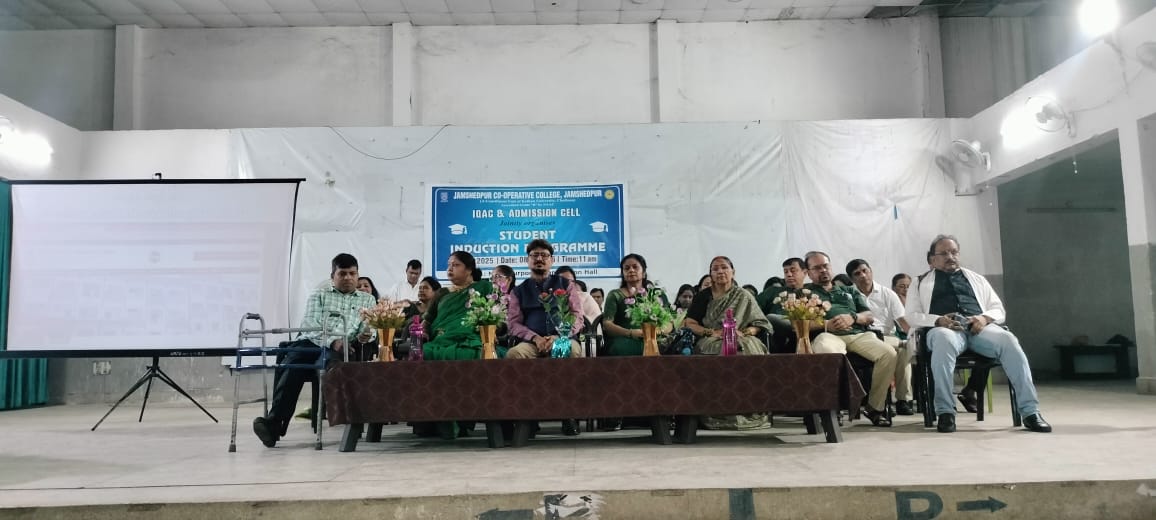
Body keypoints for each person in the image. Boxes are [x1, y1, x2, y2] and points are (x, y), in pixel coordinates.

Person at [905, 235, 1051, 433]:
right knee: (943, 339)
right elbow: (911, 315)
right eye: (944, 253)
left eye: (954, 252)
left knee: (1008, 340)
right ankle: (946, 412)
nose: (950, 257)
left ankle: (1030, 412)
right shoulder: (919, 282)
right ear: (932, 258)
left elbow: (998, 309)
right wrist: (938, 320)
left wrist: (984, 318)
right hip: (944, 329)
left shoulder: (976, 279)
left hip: (978, 328)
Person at [252, 253, 376, 448]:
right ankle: (273, 425)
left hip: (344, 347)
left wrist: (366, 335)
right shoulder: (319, 295)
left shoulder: (367, 300)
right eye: (342, 274)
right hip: (310, 342)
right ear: (332, 276)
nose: (348, 278)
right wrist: (332, 341)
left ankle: (346, 422)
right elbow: (311, 324)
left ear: (357, 275)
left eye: (352, 274)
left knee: (332, 368)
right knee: (291, 367)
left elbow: (370, 327)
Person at [804, 251, 897, 427]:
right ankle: (834, 407)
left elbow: (868, 315)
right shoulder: (805, 293)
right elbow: (797, 324)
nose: (823, 270)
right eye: (817, 268)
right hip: (828, 335)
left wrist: (852, 317)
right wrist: (826, 324)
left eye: (825, 266)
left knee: (889, 354)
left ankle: (874, 407)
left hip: (858, 334)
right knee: (828, 351)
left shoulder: (849, 290)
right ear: (808, 273)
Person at [505, 239, 585, 437]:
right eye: (535, 255)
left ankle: (568, 414)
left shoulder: (566, 285)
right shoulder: (518, 291)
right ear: (527, 260)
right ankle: (528, 417)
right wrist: (535, 338)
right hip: (532, 342)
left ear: (552, 260)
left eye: (544, 255)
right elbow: (514, 323)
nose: (539, 259)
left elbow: (577, 316)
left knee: (569, 350)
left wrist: (558, 337)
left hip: (561, 338)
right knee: (514, 355)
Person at [683, 256, 771, 430]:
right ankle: (719, 412)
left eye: (724, 267)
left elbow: (760, 324)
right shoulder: (703, 296)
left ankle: (750, 410)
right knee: (721, 350)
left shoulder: (744, 295)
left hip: (742, 336)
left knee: (749, 348)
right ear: (711, 274)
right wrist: (711, 332)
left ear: (733, 272)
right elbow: (690, 323)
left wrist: (744, 332)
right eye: (715, 269)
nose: (720, 271)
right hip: (712, 338)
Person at [847, 259, 915, 416]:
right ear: (852, 279)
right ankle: (879, 404)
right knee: (899, 347)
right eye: (857, 273)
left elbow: (902, 321)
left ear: (871, 271)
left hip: (886, 336)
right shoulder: (848, 295)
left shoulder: (887, 294)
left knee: (904, 349)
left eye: (865, 271)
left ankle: (903, 400)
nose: (863, 275)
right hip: (861, 337)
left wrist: (914, 336)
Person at [601, 254, 670, 357]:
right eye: (627, 268)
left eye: (635, 267)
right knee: (620, 347)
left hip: (655, 337)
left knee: (666, 345)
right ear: (623, 274)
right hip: (625, 339)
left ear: (644, 273)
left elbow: (669, 322)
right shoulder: (615, 295)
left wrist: (655, 332)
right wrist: (630, 333)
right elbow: (607, 324)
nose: (631, 270)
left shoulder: (657, 294)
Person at [555, 265, 602, 331]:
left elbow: (595, 321)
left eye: (570, 281)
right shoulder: (550, 299)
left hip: (586, 334)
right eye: (562, 281)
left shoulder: (585, 297)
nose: (567, 284)